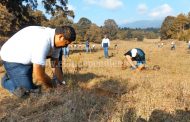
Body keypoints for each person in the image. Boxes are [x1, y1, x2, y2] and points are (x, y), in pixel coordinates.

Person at [0, 26, 76, 98]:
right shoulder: (44, 41)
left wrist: (61, 83)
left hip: (27, 57)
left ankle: (15, 75)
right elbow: (39, 75)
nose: (66, 46)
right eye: (66, 43)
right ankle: (5, 81)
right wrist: (53, 87)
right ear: (60, 37)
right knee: (29, 93)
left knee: (34, 90)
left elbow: (55, 65)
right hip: (13, 58)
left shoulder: (57, 41)